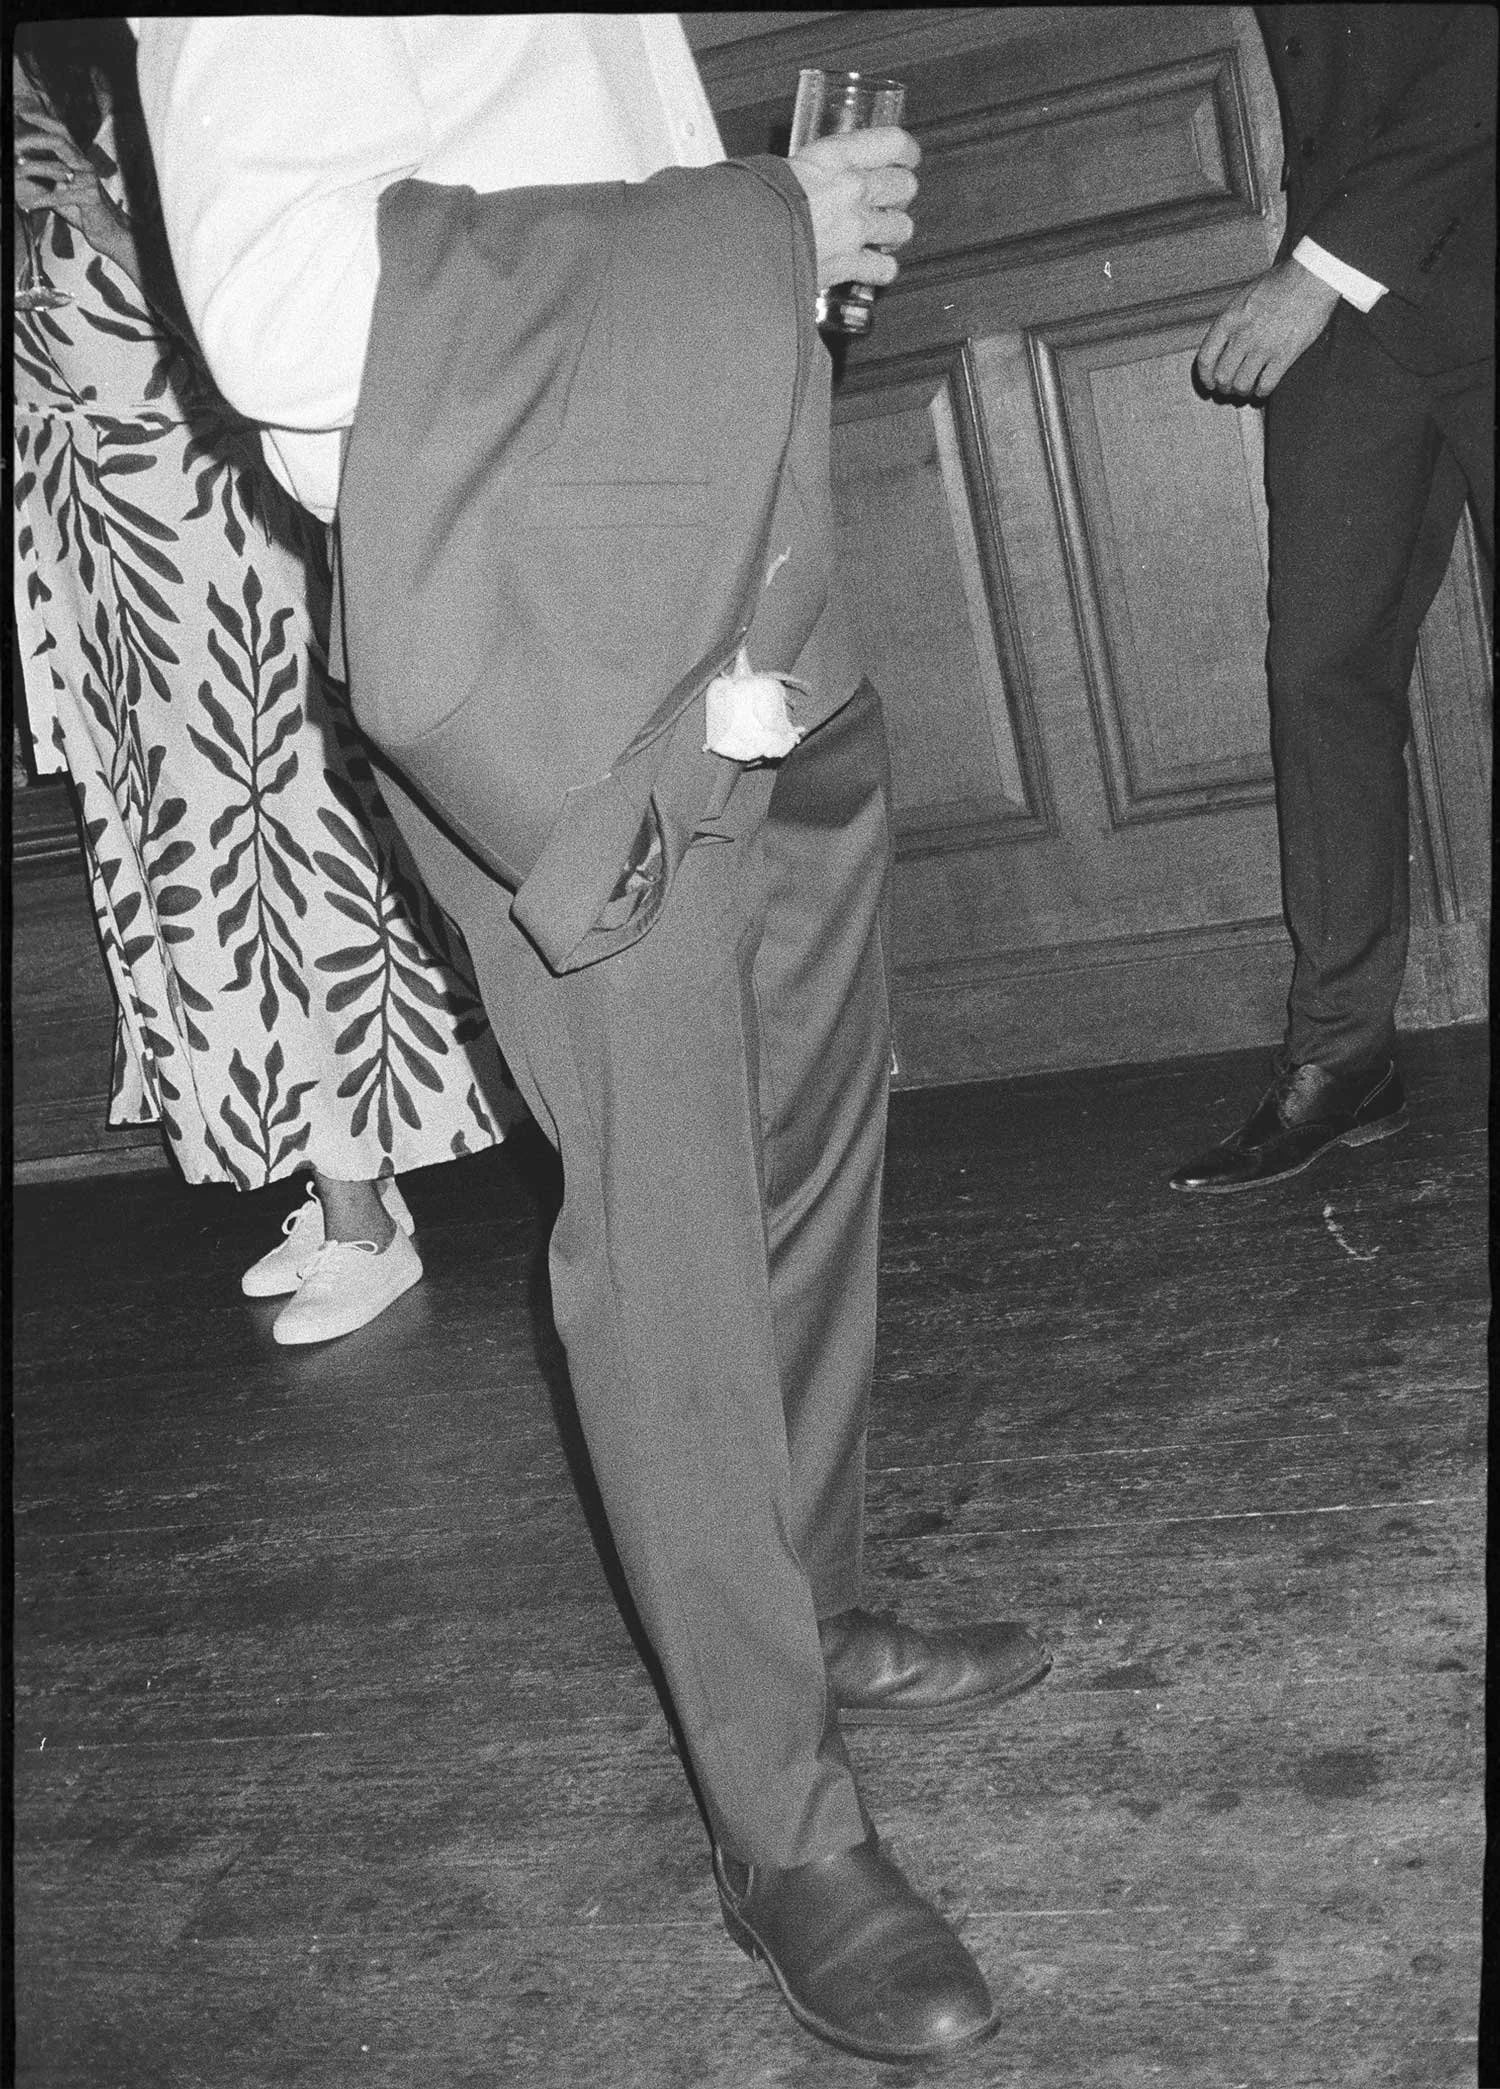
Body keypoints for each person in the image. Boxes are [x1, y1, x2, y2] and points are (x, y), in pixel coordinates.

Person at [130, 15, 1051, 2063]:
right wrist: (748, 228)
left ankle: (798, 1617)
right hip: (556, 647)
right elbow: (287, 321)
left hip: (747, 567)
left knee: (808, 1149)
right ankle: (779, 1821)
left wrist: (767, 265)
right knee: (676, 1251)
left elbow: (576, 174)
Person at [13, 22, 515, 1344]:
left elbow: (244, 303)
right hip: (115, 545)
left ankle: (365, 1216)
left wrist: (107, 231)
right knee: (200, 872)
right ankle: (342, 1194)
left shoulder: (139, 70)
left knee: (264, 855)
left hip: (204, 531)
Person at [1171, 4, 1495, 1193]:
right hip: (1359, 299)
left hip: (1389, 256)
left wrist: (1310, 273)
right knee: (1319, 670)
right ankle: (1345, 1058)